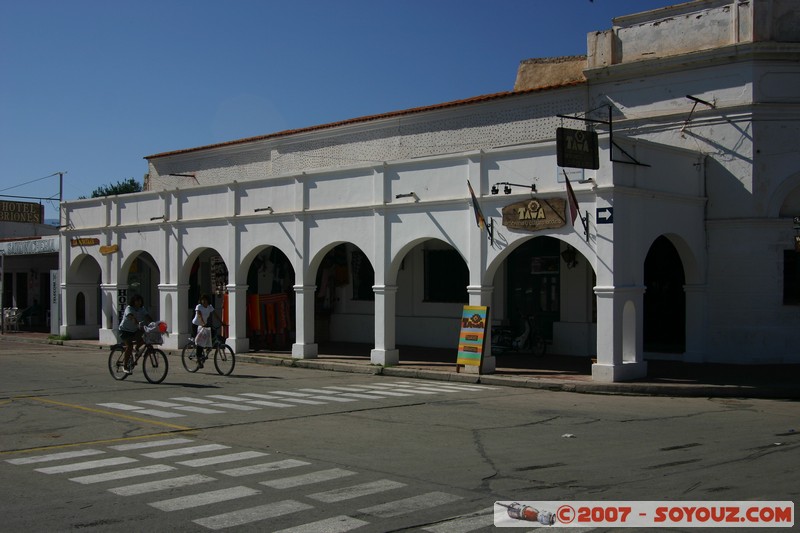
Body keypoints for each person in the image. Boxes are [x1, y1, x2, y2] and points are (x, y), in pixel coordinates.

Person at [118, 294, 153, 373]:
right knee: (129, 346)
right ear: (133, 302)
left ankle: (136, 349)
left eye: (140, 301)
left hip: (134, 330)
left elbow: (147, 316)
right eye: (137, 301)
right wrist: (137, 324)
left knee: (146, 338)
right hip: (125, 331)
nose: (139, 303)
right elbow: (131, 317)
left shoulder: (142, 309)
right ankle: (125, 366)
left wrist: (154, 324)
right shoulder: (129, 308)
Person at [192, 294, 220, 366]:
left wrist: (222, 322)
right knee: (200, 343)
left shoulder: (209, 307)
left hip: (204, 325)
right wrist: (202, 323)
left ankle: (208, 348)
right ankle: (198, 359)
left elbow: (215, 314)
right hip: (196, 325)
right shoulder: (199, 306)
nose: (204, 301)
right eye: (203, 300)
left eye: (205, 300)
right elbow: (199, 315)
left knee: (211, 334)